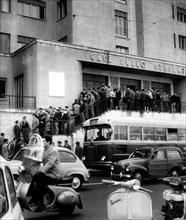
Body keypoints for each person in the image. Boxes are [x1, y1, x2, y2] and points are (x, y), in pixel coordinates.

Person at [32, 135, 61, 211]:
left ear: (48, 142)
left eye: (44, 141)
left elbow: (49, 163)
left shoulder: (53, 151)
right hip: (47, 173)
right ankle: (34, 199)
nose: (42, 143)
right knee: (33, 178)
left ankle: (41, 205)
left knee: (40, 183)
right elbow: (39, 161)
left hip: (53, 174)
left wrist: (41, 172)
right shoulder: (45, 150)